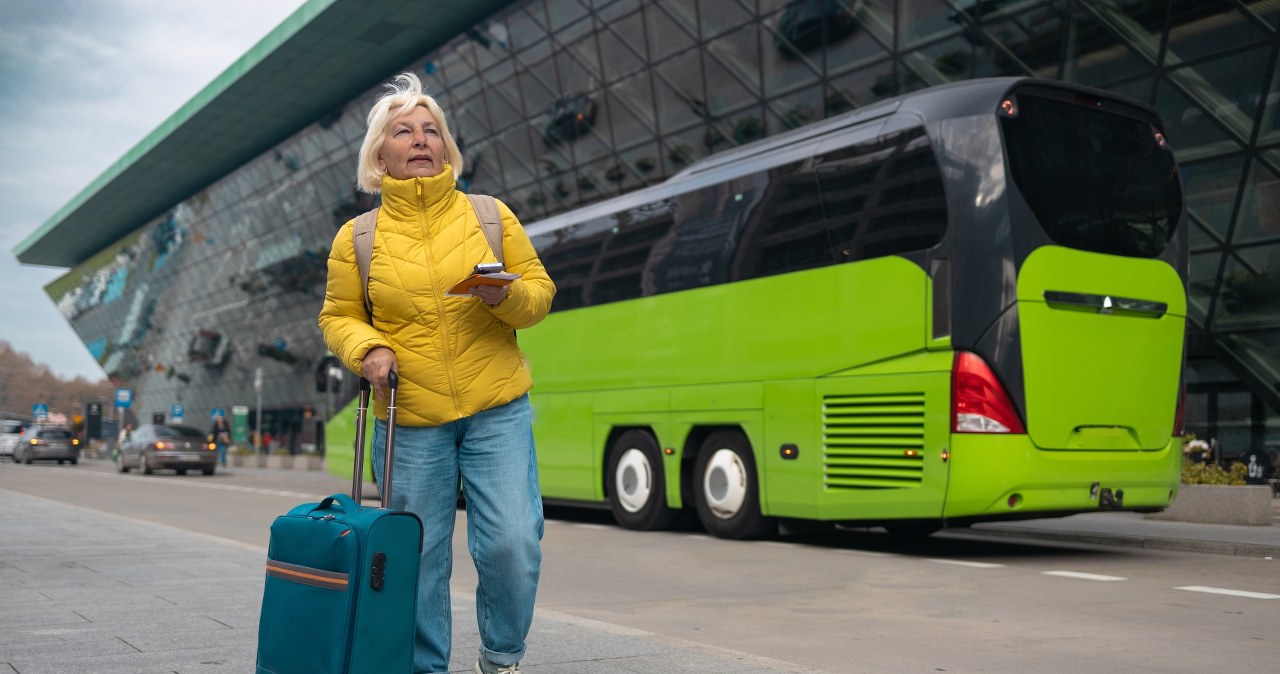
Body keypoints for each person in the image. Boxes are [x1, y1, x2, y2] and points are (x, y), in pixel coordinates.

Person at [318, 72, 555, 674]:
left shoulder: (489, 214)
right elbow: (339, 316)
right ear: (380, 155)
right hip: (411, 419)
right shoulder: (358, 238)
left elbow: (540, 294)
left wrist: (504, 296)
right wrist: (368, 350)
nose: (421, 140)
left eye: (432, 131)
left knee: (512, 542)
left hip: (495, 407)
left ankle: (501, 656)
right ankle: (426, 667)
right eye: (404, 131)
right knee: (417, 558)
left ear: (447, 148)